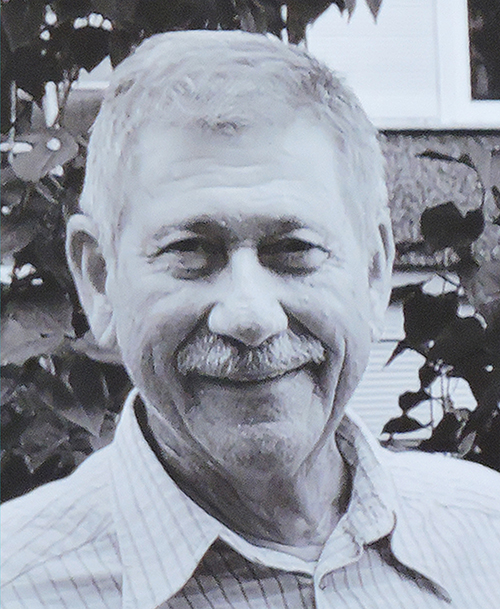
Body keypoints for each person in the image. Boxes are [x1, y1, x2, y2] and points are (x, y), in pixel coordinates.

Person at [2, 30, 499, 609]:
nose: (249, 316)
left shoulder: (486, 536)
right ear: (99, 278)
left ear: (373, 269)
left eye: (294, 249)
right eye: (190, 250)